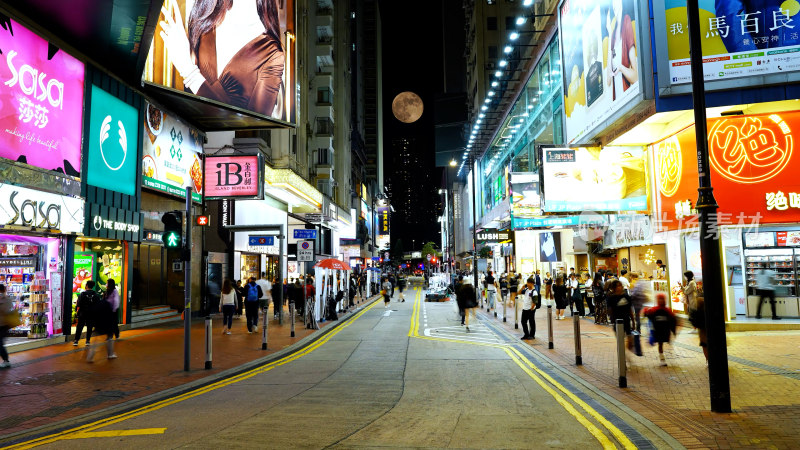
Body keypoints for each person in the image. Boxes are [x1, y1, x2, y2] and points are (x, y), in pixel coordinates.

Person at [158, 0, 286, 118]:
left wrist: (188, 71)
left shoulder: (272, 54)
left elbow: (253, 123)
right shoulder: (206, 14)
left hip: (213, 138)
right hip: (183, 129)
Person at [605, 0, 639, 101]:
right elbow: (608, 80)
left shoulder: (626, 22)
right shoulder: (614, 33)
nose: (614, 4)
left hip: (629, 97)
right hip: (617, 102)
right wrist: (610, 34)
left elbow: (636, 77)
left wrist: (620, 67)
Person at [87, 279, 119, 362]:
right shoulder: (113, 293)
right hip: (108, 316)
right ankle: (110, 354)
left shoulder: (106, 294)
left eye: (107, 283)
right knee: (109, 336)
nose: (106, 284)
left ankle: (90, 356)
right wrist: (113, 312)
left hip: (101, 318)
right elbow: (116, 303)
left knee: (97, 338)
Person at [644, 293, 677, 366]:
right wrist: (646, 311)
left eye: (662, 299)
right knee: (660, 344)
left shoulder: (667, 310)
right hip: (658, 331)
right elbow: (648, 315)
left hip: (665, 331)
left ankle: (662, 357)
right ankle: (662, 358)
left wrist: (673, 331)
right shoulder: (654, 310)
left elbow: (672, 320)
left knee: (664, 342)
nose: (661, 301)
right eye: (660, 299)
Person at [606, 279, 635, 351]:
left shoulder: (626, 296)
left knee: (630, 340)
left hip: (626, 320)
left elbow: (630, 309)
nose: (620, 287)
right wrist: (612, 320)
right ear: (614, 288)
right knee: (620, 340)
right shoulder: (611, 298)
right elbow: (609, 310)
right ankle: (622, 355)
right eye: (618, 286)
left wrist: (633, 321)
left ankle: (627, 352)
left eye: (620, 286)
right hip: (617, 322)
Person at [74, 281, 100, 346]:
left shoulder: (82, 294)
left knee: (80, 326)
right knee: (89, 326)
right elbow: (98, 304)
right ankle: (87, 340)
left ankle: (76, 340)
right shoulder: (96, 295)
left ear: (86, 285)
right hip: (91, 313)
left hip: (83, 313)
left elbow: (78, 304)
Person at [0, 284, 13, 368]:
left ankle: (6, 360)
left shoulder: (6, 300)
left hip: (3, 325)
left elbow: (7, 310)